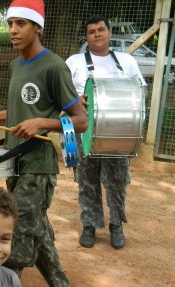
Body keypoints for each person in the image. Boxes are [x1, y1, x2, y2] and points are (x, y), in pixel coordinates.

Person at [0, 0, 88, 287]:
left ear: (38, 27)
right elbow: (19, 114)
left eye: (22, 24)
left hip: (39, 166)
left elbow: (79, 120)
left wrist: (43, 122)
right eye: (10, 23)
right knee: (38, 235)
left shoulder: (53, 66)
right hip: (15, 163)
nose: (13, 30)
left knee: (19, 238)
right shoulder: (16, 66)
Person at [65, 15, 146, 250]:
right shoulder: (74, 62)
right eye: (92, 31)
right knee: (86, 180)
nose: (97, 34)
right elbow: (63, 94)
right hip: (83, 130)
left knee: (118, 182)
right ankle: (89, 225)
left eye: (101, 30)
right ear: (86, 37)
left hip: (118, 132)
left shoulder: (127, 61)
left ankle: (116, 225)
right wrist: (76, 101)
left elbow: (140, 92)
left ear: (109, 33)